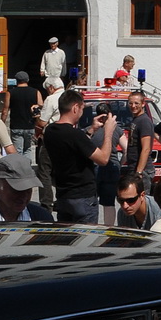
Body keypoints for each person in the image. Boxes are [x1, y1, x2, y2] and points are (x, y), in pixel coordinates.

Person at [44, 89, 111, 223]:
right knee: (86, 239)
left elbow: (75, 146)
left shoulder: (50, 131)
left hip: (63, 195)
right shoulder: (75, 134)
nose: (81, 113)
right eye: (81, 108)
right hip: (83, 196)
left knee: (66, 240)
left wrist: (92, 129)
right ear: (75, 108)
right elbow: (103, 159)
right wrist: (108, 131)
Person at [125, 90, 159, 177]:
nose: (133, 106)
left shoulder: (144, 121)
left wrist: (139, 172)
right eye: (130, 103)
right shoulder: (136, 120)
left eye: (136, 103)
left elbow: (146, 149)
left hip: (143, 171)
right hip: (133, 167)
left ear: (143, 104)